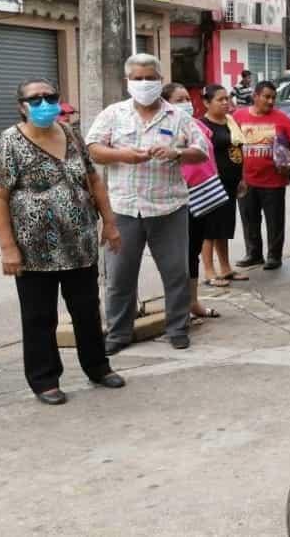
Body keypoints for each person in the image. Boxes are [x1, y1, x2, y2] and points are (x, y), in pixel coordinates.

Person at [0, 78, 127, 404]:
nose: (44, 103)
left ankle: (98, 367)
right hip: (34, 251)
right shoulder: (9, 143)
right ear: (21, 106)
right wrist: (8, 248)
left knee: (87, 311)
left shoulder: (71, 134)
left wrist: (110, 223)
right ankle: (45, 380)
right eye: (35, 99)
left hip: (79, 245)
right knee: (39, 317)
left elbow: (93, 179)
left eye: (50, 97)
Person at [86, 53, 211, 354]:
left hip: (168, 208)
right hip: (124, 209)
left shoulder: (178, 116)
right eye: (138, 78)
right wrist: (123, 155)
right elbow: (92, 149)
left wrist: (176, 153)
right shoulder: (113, 114)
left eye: (150, 78)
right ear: (128, 81)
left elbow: (202, 151)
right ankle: (117, 333)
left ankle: (178, 329)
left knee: (176, 273)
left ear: (160, 79)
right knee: (119, 276)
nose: (144, 84)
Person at [164, 83, 223, 325]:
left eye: (188, 98)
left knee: (193, 251)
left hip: (204, 195)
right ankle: (178, 307)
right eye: (179, 99)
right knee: (180, 254)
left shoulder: (196, 126)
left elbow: (208, 157)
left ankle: (193, 302)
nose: (186, 103)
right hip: (179, 198)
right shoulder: (166, 129)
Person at [233, 80, 290, 271]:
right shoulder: (239, 116)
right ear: (255, 96)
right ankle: (254, 254)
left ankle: (274, 256)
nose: (270, 101)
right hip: (246, 180)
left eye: (273, 97)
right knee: (249, 219)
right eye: (266, 97)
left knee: (275, 221)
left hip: (274, 181)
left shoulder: (282, 118)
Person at [198, 84, 248, 286]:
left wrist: (241, 178)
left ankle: (225, 268)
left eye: (227, 98)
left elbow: (238, 151)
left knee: (224, 228)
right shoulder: (202, 126)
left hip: (231, 182)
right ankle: (209, 273)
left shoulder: (230, 122)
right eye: (220, 99)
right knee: (209, 229)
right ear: (206, 103)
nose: (226, 102)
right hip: (212, 184)